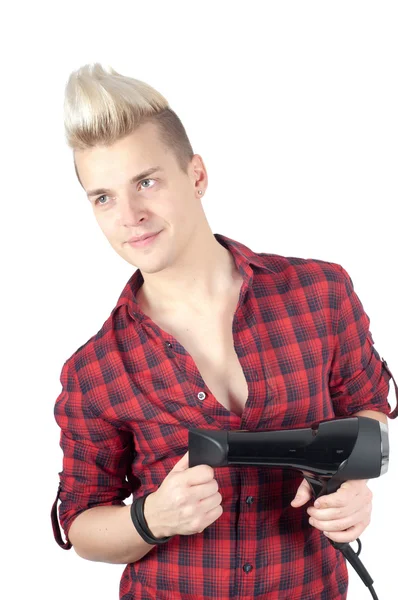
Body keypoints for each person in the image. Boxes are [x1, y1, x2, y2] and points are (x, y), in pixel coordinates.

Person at [51, 63, 397, 600]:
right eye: (104, 197)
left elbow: (370, 410)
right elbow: (80, 523)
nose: (130, 215)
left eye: (146, 182)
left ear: (196, 176)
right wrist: (150, 519)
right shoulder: (96, 371)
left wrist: (353, 485)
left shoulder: (321, 294)